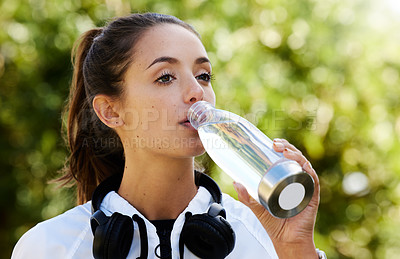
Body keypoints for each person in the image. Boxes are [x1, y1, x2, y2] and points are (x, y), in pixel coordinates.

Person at [11, 13, 324, 259]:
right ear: (111, 111)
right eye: (165, 77)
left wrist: (296, 250)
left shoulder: (263, 238)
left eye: (203, 76)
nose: (196, 93)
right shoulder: (50, 247)